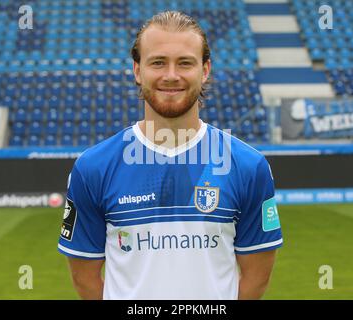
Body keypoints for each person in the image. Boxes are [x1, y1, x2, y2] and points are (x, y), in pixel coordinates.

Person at [57, 11, 283, 300]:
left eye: (185, 63)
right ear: (138, 70)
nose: (171, 75)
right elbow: (85, 278)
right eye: (158, 62)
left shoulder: (249, 166)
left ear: (205, 70)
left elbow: (256, 277)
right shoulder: (93, 168)